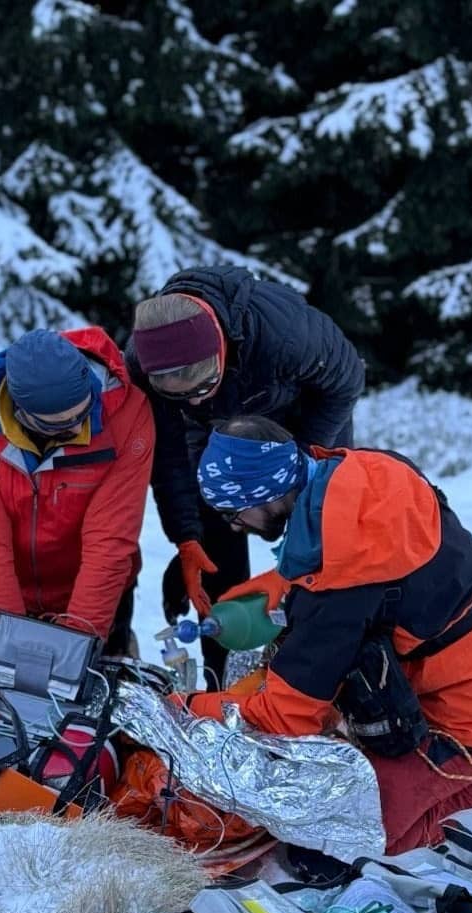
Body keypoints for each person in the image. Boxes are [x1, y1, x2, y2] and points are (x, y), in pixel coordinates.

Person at [184, 415, 472, 853]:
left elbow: (283, 718)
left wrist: (188, 707)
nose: (234, 527)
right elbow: (375, 574)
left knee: (344, 842)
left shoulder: (337, 591)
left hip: (466, 722)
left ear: (270, 496)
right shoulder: (364, 474)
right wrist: (284, 584)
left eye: (233, 513)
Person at [125, 264, 364, 684]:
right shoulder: (142, 363)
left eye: (203, 386)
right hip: (213, 437)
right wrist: (187, 537)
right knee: (217, 534)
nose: (196, 401)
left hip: (298, 424)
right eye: (183, 397)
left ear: (220, 348)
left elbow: (345, 381)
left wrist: (298, 468)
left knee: (316, 543)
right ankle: (224, 683)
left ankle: (314, 675)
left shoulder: (284, 335)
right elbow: (168, 458)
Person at [0, 328, 154, 653]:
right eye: (57, 424)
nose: (76, 428)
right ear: (20, 411)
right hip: (13, 591)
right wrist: (8, 645)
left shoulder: (126, 414)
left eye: (83, 413)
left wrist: (78, 646)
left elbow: (109, 544)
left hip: (97, 592)